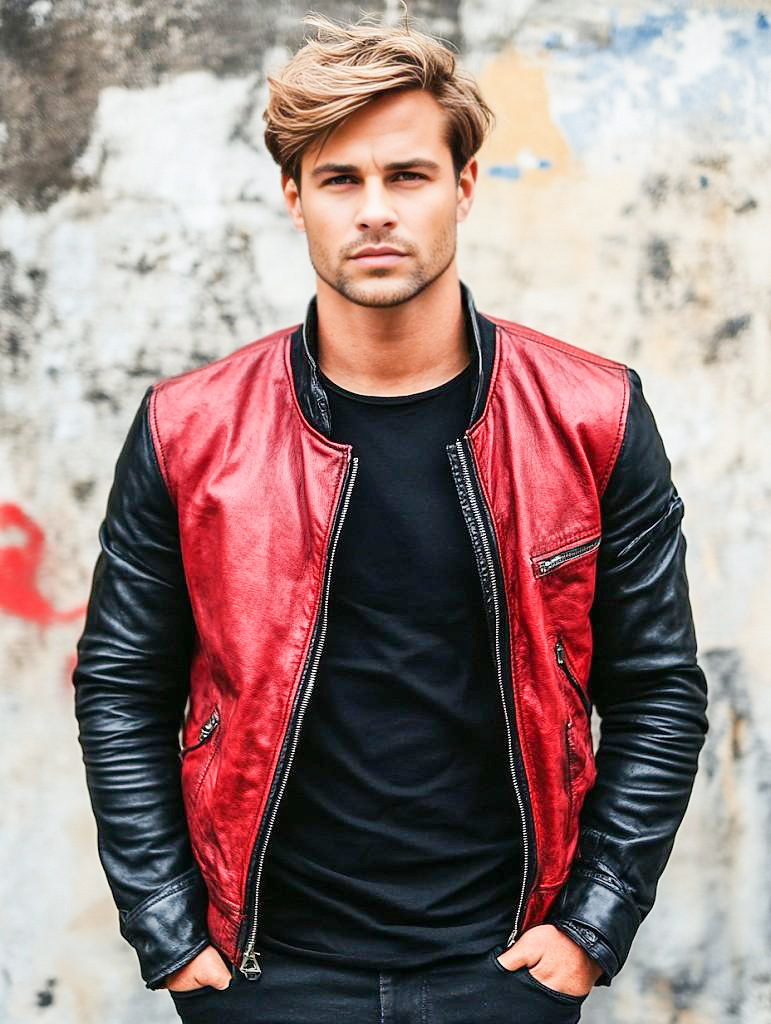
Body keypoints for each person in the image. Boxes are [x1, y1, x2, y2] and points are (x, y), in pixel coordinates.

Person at [72, 10, 709, 1024]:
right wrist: (169, 929)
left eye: (407, 175)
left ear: (464, 186)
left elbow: (659, 690)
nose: (376, 210)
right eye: (340, 179)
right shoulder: (189, 433)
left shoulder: (592, 416)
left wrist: (591, 927)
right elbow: (120, 686)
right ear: (294, 196)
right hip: (264, 974)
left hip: (500, 970)